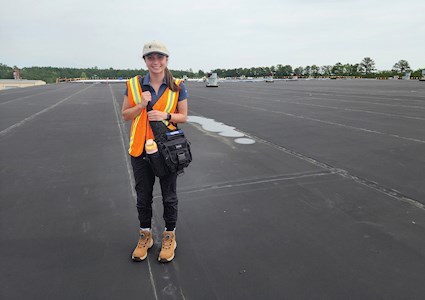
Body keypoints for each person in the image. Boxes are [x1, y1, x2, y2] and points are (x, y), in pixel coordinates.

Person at [121, 40, 188, 262]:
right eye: (151, 57)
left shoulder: (178, 85)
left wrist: (165, 115)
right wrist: (140, 105)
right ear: (145, 61)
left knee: (169, 196)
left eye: (160, 57)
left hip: (167, 151)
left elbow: (183, 117)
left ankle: (170, 236)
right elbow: (125, 115)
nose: (155, 61)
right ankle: (146, 235)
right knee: (143, 196)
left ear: (166, 60)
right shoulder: (133, 85)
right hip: (140, 149)